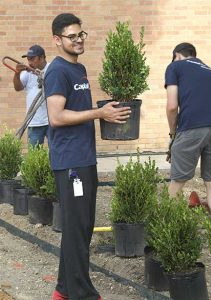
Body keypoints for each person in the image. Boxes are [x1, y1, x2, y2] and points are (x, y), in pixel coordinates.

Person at [44, 13, 131, 300]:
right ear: (58, 40)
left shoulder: (77, 69)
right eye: (72, 36)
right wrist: (99, 112)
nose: (79, 40)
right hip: (71, 163)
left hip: (83, 158)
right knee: (78, 228)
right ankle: (83, 294)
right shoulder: (58, 71)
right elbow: (56, 117)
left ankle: (64, 290)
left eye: (81, 34)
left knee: (79, 227)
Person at [165, 42, 211, 212]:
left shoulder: (175, 67)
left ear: (177, 55)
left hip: (192, 126)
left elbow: (172, 106)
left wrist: (173, 135)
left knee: (178, 181)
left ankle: (166, 229)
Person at [13, 44, 49, 146]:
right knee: (34, 154)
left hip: (51, 120)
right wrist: (17, 73)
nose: (29, 62)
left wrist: (38, 73)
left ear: (42, 57)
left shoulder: (51, 69)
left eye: (32, 59)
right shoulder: (27, 73)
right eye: (28, 59)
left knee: (56, 152)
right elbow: (17, 87)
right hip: (34, 121)